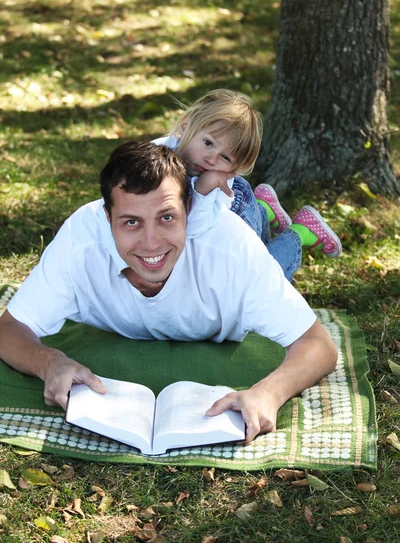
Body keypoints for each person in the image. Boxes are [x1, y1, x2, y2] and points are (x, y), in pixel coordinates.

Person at [0, 141, 338, 443]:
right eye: (131, 222)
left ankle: (278, 221)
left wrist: (269, 393)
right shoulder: (80, 241)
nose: (151, 243)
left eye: (166, 218)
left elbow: (317, 345)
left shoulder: (231, 248)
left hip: (240, 259)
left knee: (275, 262)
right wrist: (49, 361)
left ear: (188, 210)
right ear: (107, 218)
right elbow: (9, 330)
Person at [153, 89, 341, 282]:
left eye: (225, 157)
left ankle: (301, 231)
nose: (211, 159)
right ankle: (262, 209)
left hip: (234, 207)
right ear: (185, 126)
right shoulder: (159, 152)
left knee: (257, 275)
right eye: (208, 143)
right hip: (234, 203)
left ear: (234, 169)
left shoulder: (215, 184)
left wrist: (203, 188)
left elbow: (192, 231)